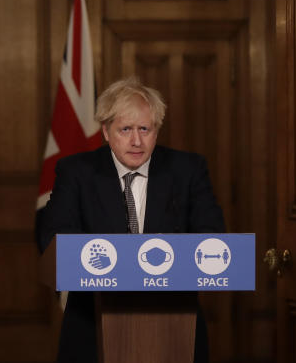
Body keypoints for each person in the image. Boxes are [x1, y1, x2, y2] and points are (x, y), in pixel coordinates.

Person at [37, 76, 225, 363]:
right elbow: (54, 236)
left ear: (156, 131)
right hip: (92, 323)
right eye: (125, 129)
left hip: (174, 325)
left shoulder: (188, 169)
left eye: (145, 129)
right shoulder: (76, 172)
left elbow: (212, 236)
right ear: (105, 131)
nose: (136, 141)